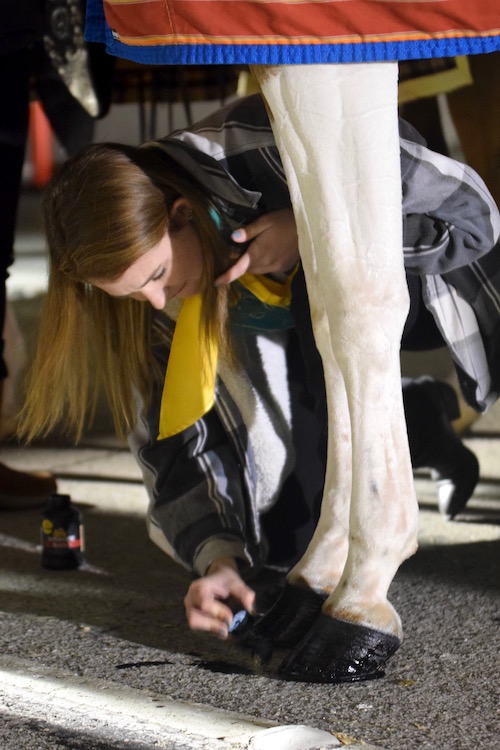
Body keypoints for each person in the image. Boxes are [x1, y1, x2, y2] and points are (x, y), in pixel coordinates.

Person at [19, 94, 498, 639]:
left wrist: (315, 235)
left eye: (155, 277)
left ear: (181, 213)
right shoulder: (153, 284)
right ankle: (416, 414)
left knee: (316, 294)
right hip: (296, 342)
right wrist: (216, 560)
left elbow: (475, 215)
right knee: (282, 546)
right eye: (132, 294)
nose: (155, 302)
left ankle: (397, 415)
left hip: (422, 290)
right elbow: (172, 438)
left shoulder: (268, 144)